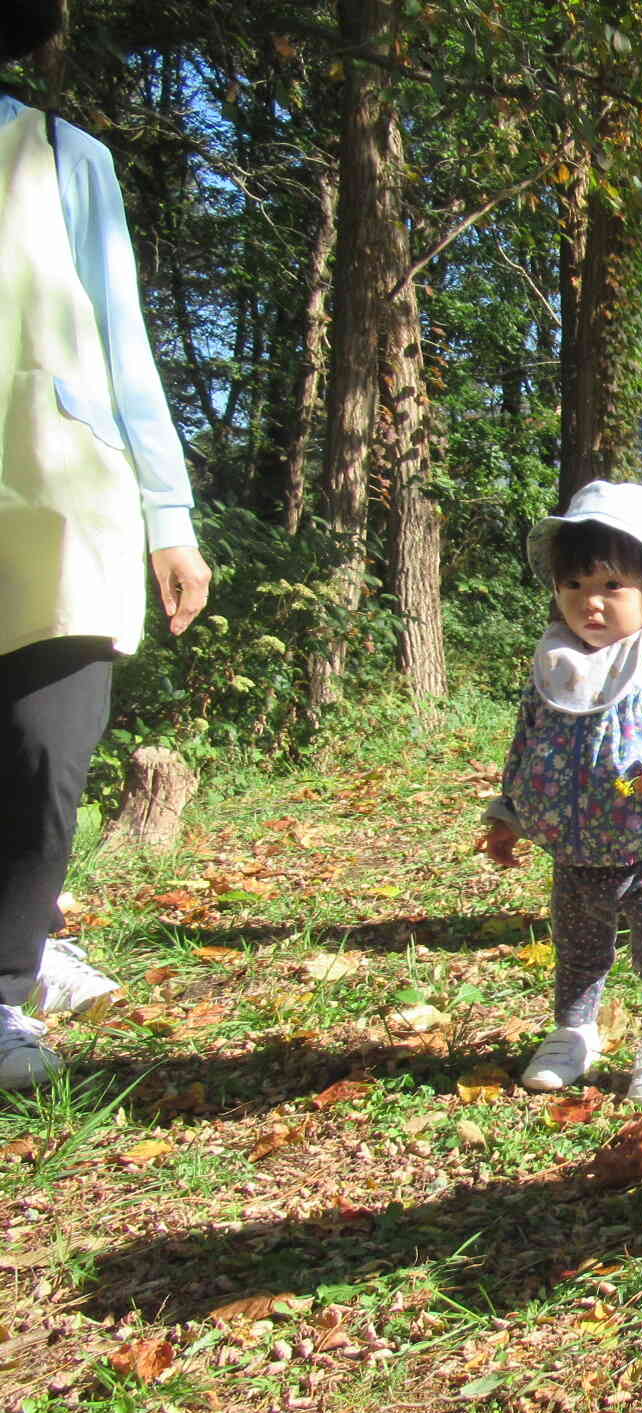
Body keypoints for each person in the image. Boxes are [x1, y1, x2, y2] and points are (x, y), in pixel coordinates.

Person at [2, 3, 213, 1091]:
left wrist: (166, 516)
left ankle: (5, 981)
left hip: (62, 495)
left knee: (49, 746)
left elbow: (123, 339)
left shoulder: (57, 153)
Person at [481, 482, 642, 1106]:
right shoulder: (555, 666)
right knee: (577, 952)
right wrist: (509, 813)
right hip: (575, 853)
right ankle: (573, 1033)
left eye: (610, 588)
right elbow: (529, 744)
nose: (588, 605)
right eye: (573, 586)